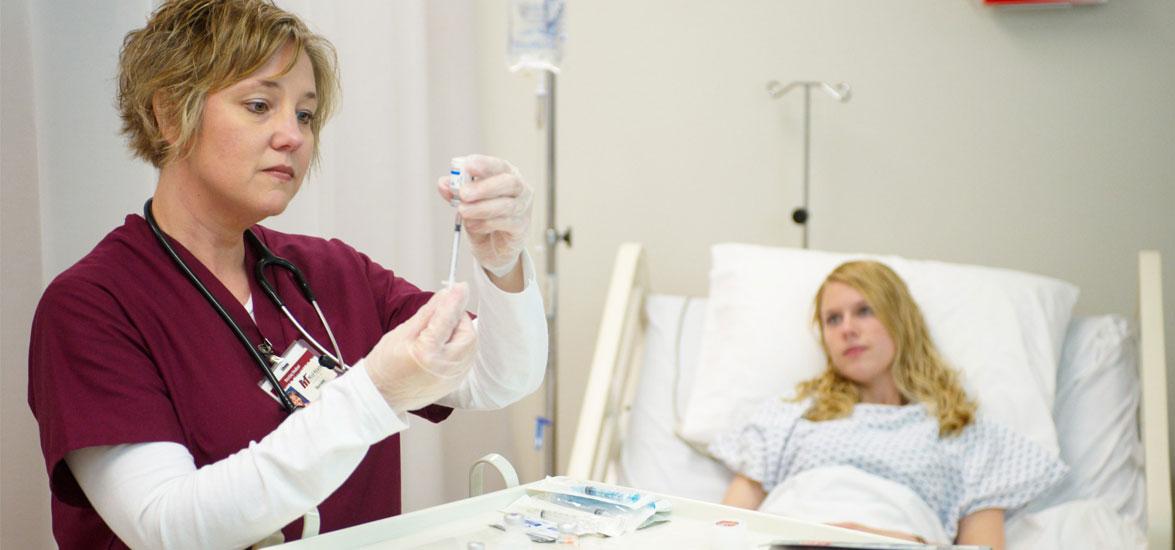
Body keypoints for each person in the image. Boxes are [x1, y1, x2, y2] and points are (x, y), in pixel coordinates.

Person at [26, 1, 547, 548]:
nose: (293, 136)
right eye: (258, 105)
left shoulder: (328, 272)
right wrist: (375, 392)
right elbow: (168, 527)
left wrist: (502, 259)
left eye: (304, 114)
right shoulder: (92, 306)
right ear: (169, 114)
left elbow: (496, 376)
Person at [709, 260, 1066, 550]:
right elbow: (723, 531)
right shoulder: (792, 414)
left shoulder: (963, 433)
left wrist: (880, 541)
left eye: (864, 311)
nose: (847, 329)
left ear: (900, 320)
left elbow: (983, 549)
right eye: (833, 319)